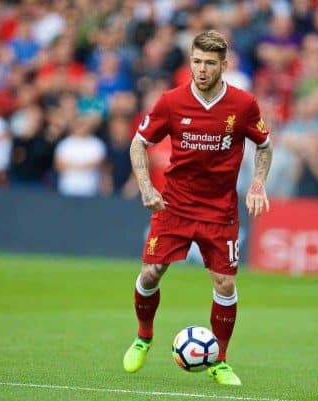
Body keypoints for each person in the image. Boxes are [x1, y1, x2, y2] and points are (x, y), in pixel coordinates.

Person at [122, 30, 273, 386]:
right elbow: (139, 143)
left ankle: (220, 360)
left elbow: (264, 146)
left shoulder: (243, 105)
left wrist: (257, 184)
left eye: (209, 63)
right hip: (174, 203)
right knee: (151, 272)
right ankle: (144, 336)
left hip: (220, 209)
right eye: (196, 61)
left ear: (224, 65)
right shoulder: (171, 102)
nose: (201, 69)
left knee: (224, 282)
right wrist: (146, 187)